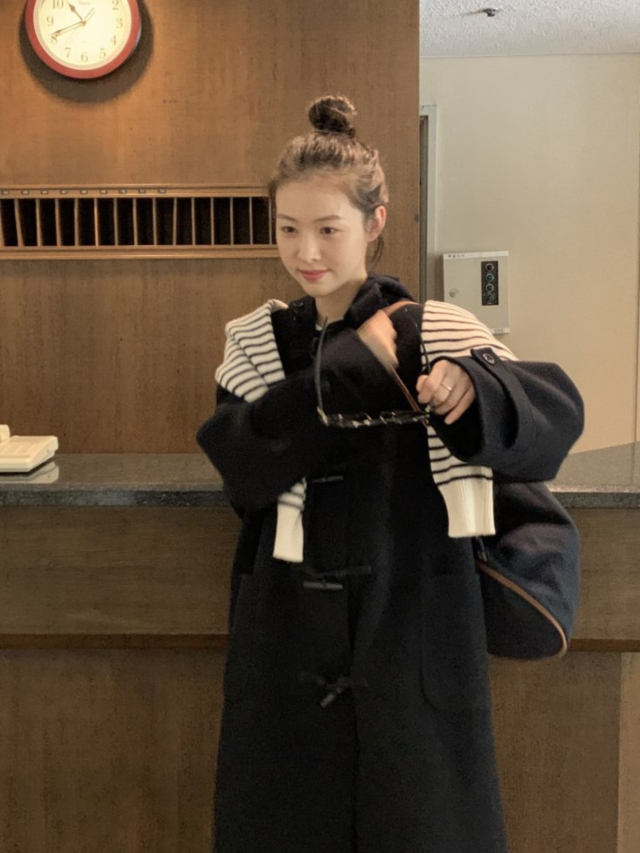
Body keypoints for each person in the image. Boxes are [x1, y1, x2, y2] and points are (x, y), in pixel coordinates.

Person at [196, 94, 584, 853]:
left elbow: (555, 419)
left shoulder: (433, 330)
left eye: (328, 228)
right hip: (288, 632)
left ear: (374, 223)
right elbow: (240, 466)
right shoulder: (255, 342)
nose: (306, 250)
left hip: (417, 623)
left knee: (423, 823)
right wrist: (345, 375)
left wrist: (475, 391)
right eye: (287, 228)